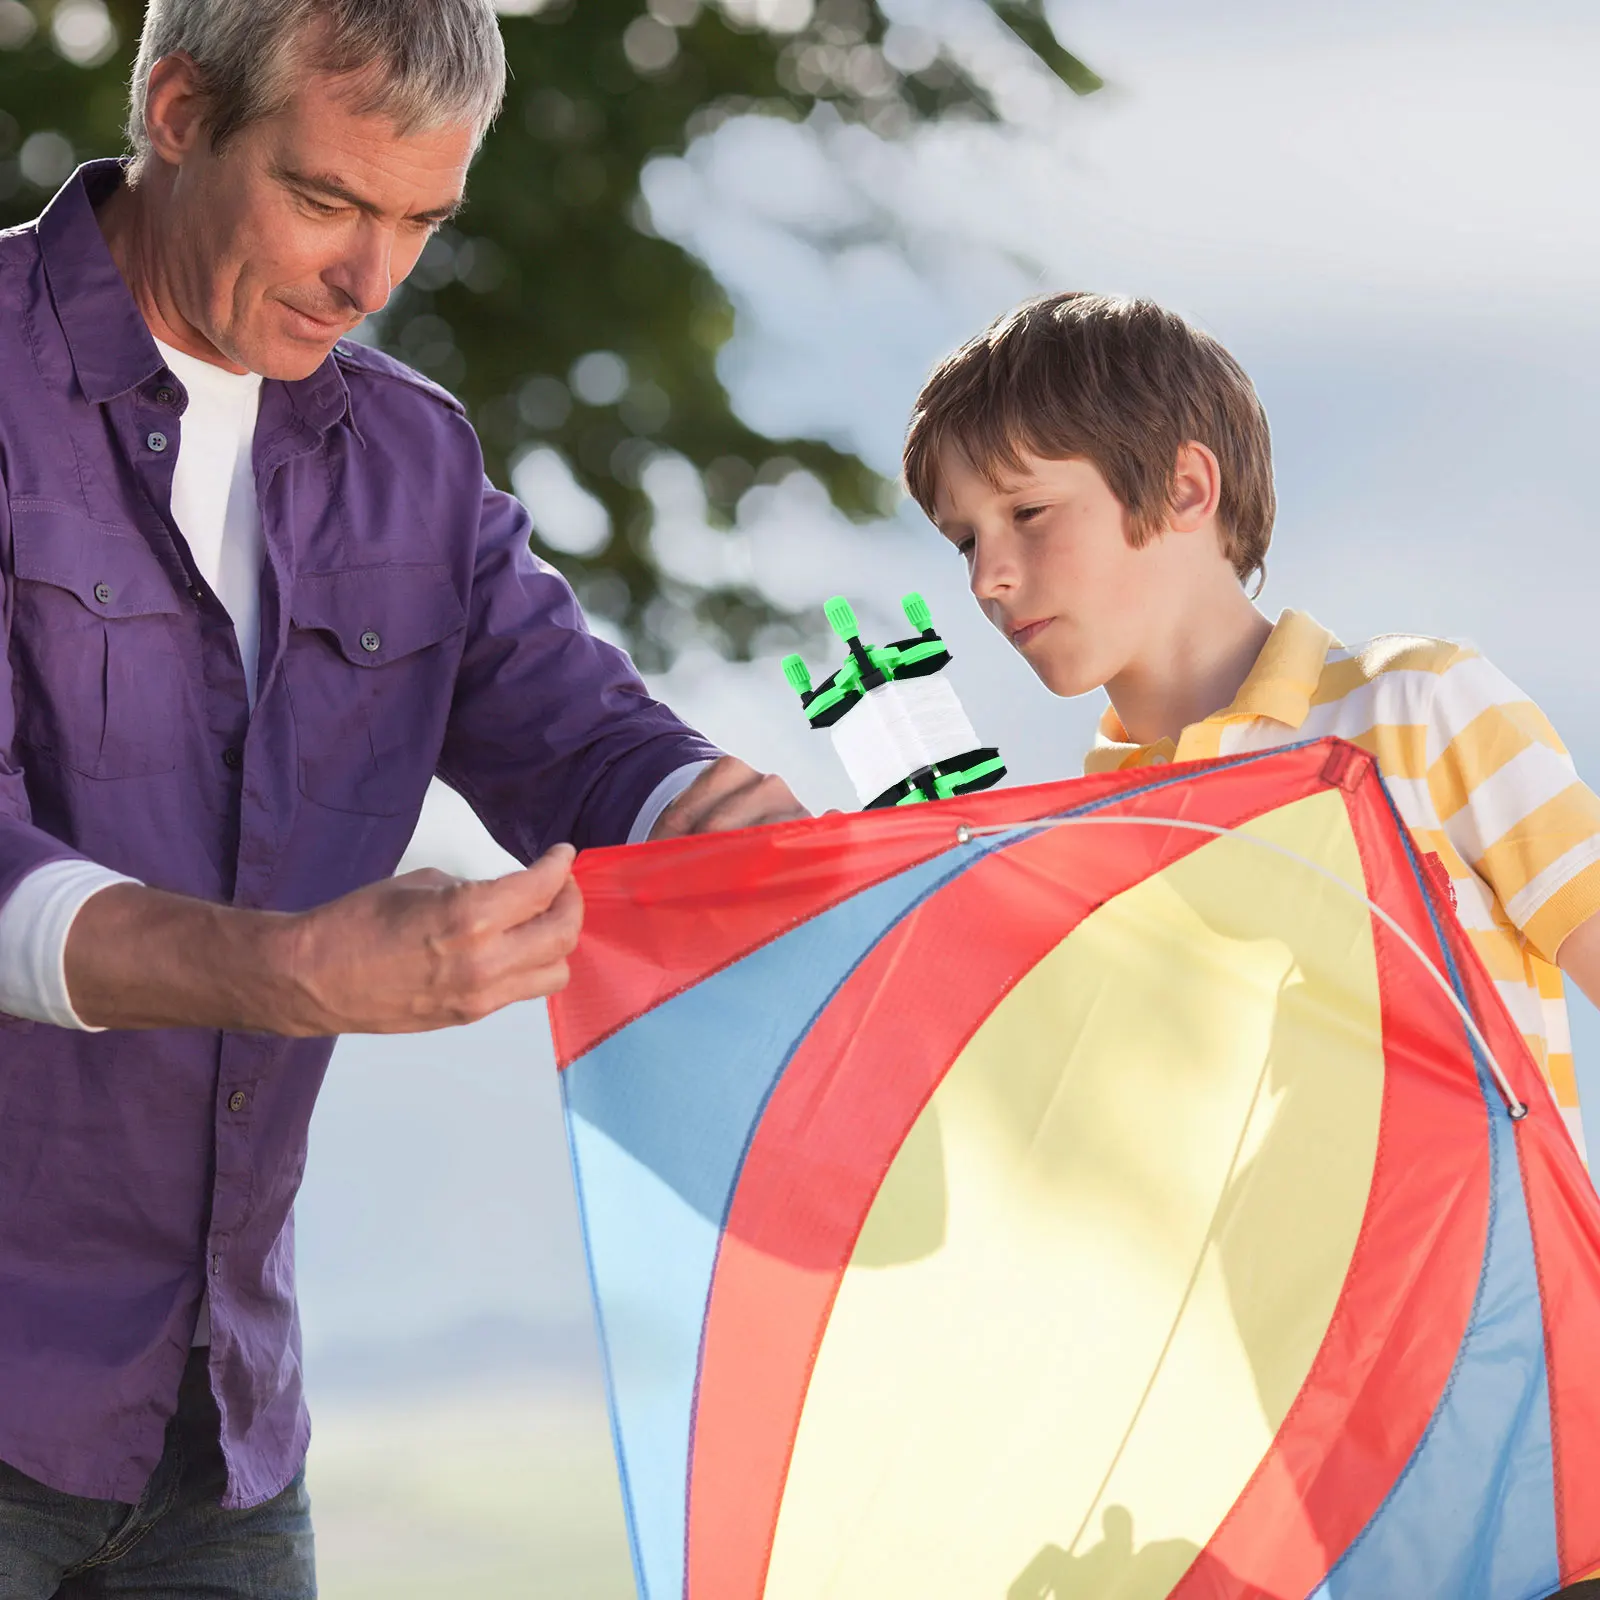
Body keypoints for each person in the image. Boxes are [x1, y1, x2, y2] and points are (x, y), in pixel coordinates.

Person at [0, 0, 804, 1593]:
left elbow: (586, 742)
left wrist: (721, 825)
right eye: (326, 200)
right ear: (176, 109)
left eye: (422, 221)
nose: (373, 281)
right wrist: (294, 971)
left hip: (223, 1433)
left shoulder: (414, 466)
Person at [902, 291, 1600, 1166]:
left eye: (1028, 513)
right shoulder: (1083, 848)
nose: (987, 580)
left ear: (1187, 488)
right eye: (965, 541)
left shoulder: (1419, 708)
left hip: (1507, 1297)